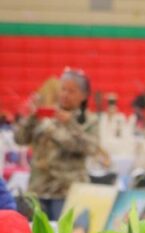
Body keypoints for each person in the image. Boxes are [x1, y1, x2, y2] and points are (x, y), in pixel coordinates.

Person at [13, 68, 100, 220]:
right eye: (63, 89)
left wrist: (69, 124)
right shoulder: (46, 114)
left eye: (71, 91)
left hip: (67, 192)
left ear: (84, 95)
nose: (65, 94)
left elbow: (90, 148)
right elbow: (20, 139)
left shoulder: (88, 120)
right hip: (37, 190)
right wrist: (32, 117)